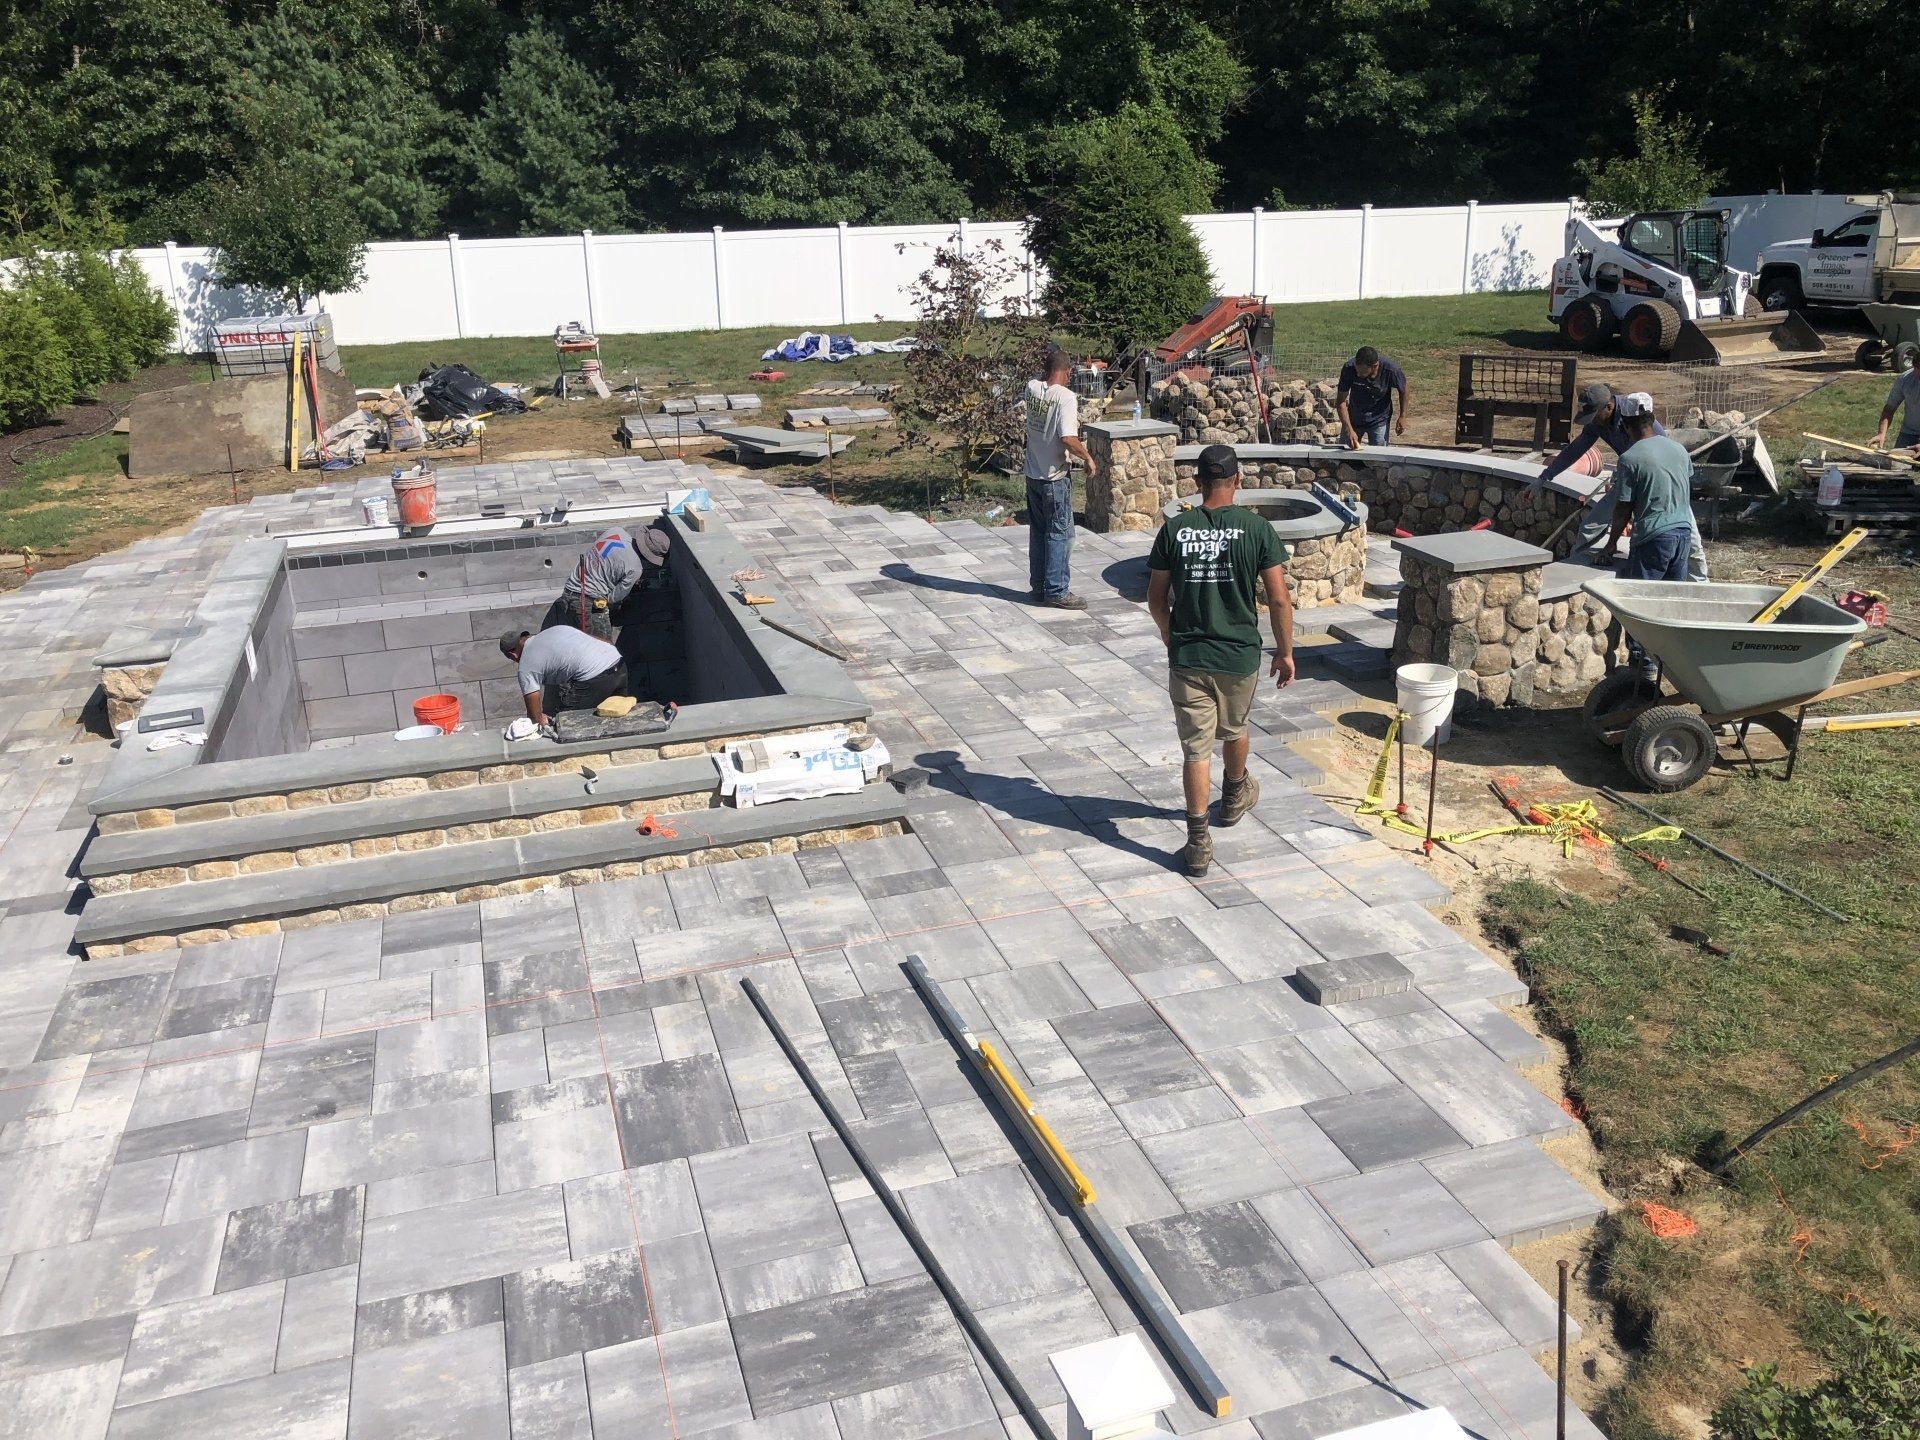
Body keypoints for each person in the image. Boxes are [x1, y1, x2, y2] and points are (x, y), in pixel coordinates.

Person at [1147, 445, 1296, 878]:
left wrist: (1169, 635)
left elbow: (1156, 599)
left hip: (1189, 656)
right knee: (1235, 729)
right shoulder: (1257, 529)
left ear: (1197, 482)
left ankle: (1197, 844)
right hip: (1238, 655)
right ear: (1238, 479)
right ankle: (1233, 797)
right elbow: (1279, 598)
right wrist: (1284, 652)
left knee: (1195, 750)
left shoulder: (1175, 529)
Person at [1534, 383, 1709, 579]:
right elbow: (1577, 448)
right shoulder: (1599, 423)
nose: (1592, 421)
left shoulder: (1637, 418)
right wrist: (1545, 476)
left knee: (1691, 541)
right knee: (1590, 527)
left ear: (1608, 407)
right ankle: (1576, 574)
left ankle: (1701, 584)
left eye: (1594, 415)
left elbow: (1659, 465)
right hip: (1629, 475)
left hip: (1658, 484)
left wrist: (1614, 540)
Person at [1604, 408, 1696, 678]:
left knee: (1641, 604)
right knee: (1669, 601)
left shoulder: (1630, 458)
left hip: (1653, 537)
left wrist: (1611, 544)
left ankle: (1643, 671)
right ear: (1652, 422)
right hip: (1682, 533)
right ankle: (1668, 663)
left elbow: (1623, 507)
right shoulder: (1678, 449)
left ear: (1626, 427)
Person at [1023, 348, 1099, 609]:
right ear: (1067, 372)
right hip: (1054, 478)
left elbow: (1039, 381)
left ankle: (1039, 586)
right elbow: (1067, 437)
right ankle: (1057, 590)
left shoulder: (1031, 388)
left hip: (1032, 475)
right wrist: (1087, 457)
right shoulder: (1065, 397)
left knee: (1039, 532)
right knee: (1060, 534)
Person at [541, 524, 672, 638]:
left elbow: (607, 563)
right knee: (604, 651)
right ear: (649, 556)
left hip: (569, 591)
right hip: (588, 603)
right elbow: (613, 598)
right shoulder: (635, 568)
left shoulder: (616, 531)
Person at [500, 626, 630, 726]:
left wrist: (541, 720)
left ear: (512, 655)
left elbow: (534, 716)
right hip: (618, 663)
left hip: (595, 677)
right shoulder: (555, 630)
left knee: (567, 723)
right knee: (618, 718)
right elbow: (605, 641)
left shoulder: (526, 665)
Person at [1335, 346, 1409, 448]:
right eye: (1357, 371)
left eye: (1362, 373)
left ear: (1375, 366)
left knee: (1378, 457)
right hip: (1354, 417)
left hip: (1379, 419)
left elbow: (1404, 389)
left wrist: (1402, 416)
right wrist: (1349, 430)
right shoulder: (1349, 368)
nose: (1358, 374)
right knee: (1345, 452)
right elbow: (1340, 402)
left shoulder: (1390, 370)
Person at [1871, 362, 1920, 452]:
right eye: (1917, 370)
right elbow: (1889, 409)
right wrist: (1881, 434)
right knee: (1896, 464)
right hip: (1908, 433)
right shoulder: (1904, 379)